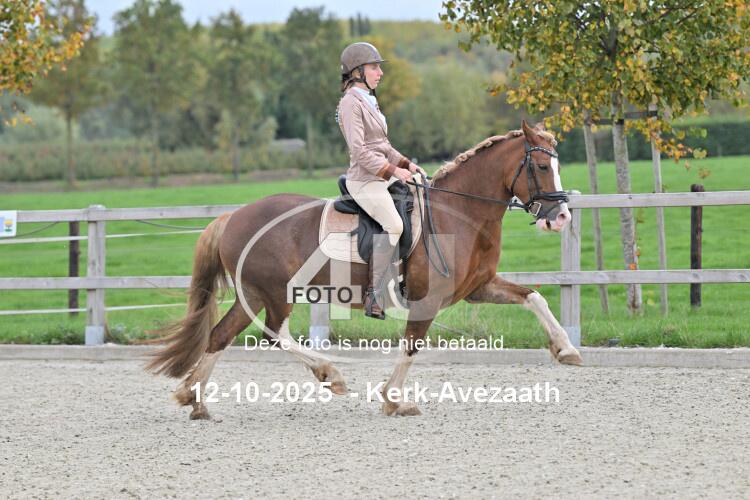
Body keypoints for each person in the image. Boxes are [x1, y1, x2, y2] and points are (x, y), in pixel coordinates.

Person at [336, 42, 426, 320]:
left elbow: (383, 145)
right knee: (394, 224)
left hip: (381, 176)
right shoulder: (350, 103)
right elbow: (359, 150)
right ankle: (373, 295)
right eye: (374, 67)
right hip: (364, 180)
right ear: (358, 71)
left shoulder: (368, 100)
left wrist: (407, 164)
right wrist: (393, 171)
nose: (380, 73)